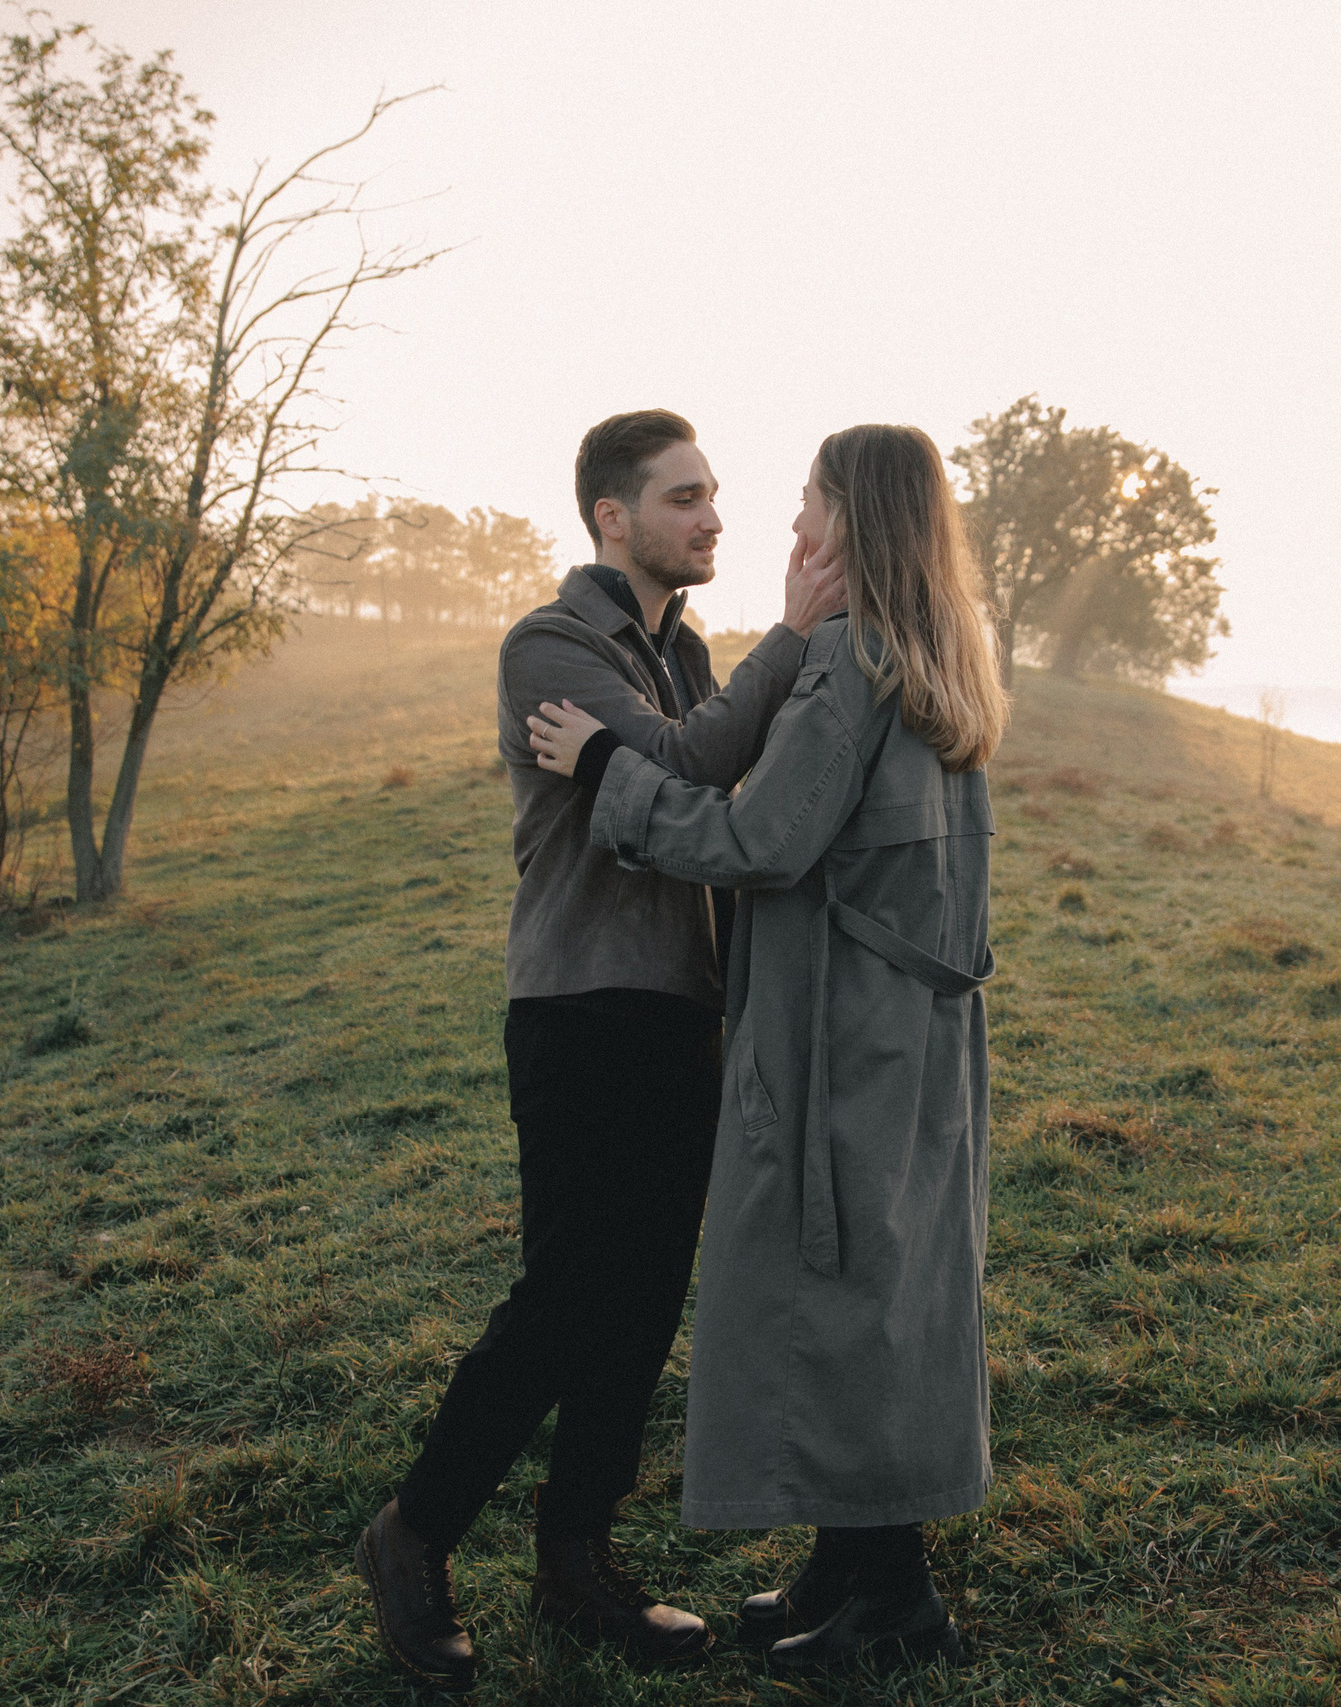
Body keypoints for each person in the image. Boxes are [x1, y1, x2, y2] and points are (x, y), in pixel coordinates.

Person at [352, 409, 847, 1694]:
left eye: (716, 495)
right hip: (576, 1011)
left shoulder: (688, 657)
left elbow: (704, 785)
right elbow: (686, 768)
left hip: (679, 1009)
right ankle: (414, 1533)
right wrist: (791, 643)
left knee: (636, 1309)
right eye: (685, 498)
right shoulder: (552, 646)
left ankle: (576, 1563)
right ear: (612, 518)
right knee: (566, 1296)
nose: (715, 518)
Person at [526, 422, 1008, 1676]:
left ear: (856, 525)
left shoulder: (851, 661)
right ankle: (846, 1568)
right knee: (877, 1287)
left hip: (838, 1028)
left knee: (838, 1288)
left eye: (808, 505)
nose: (787, 529)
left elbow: (759, 844)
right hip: (921, 1039)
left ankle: (888, 1599)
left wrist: (604, 773)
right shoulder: (948, 655)